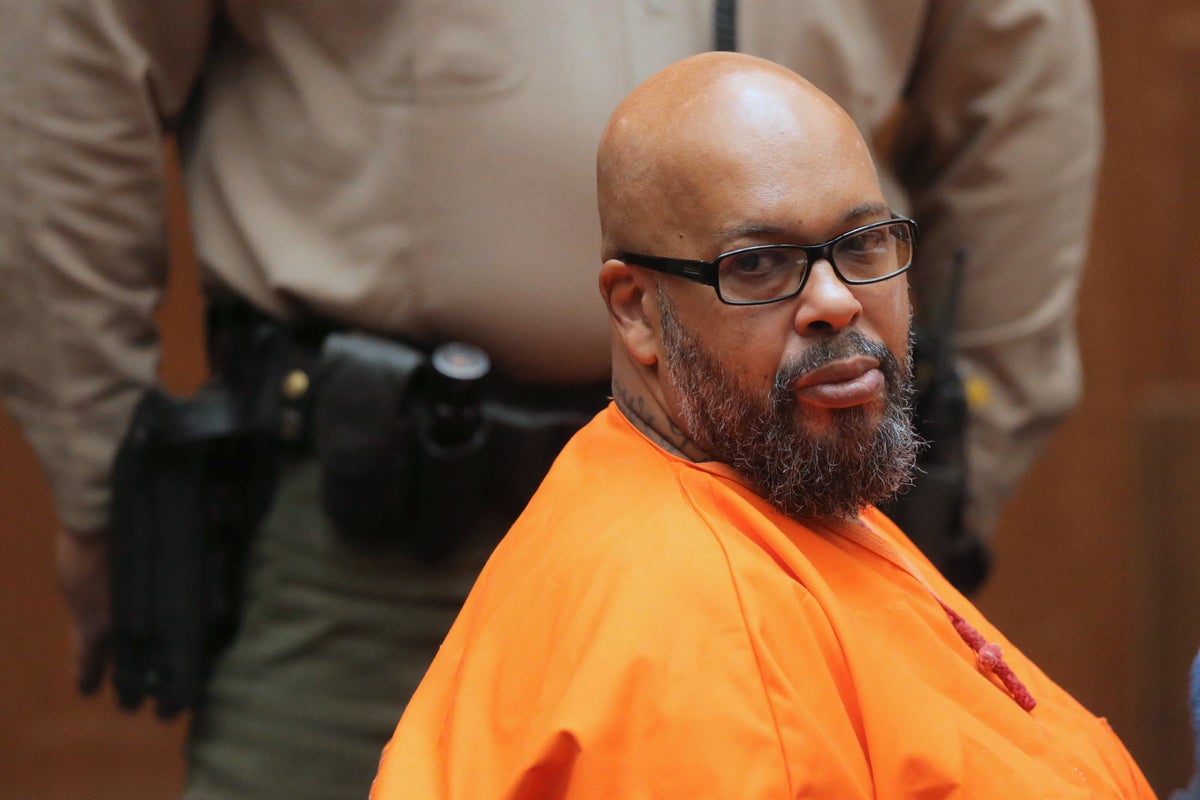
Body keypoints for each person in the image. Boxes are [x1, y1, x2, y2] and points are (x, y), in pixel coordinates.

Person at [0, 2, 1101, 798]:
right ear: (629, 308)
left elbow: (1019, 84)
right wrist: (101, 467)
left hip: (806, 492)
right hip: (374, 524)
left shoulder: (833, 323)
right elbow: (71, 69)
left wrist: (939, 452)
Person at [371, 52, 1149, 799]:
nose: (836, 301)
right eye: (756, 264)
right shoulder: (703, 637)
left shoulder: (761, 486)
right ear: (636, 310)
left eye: (863, 243)